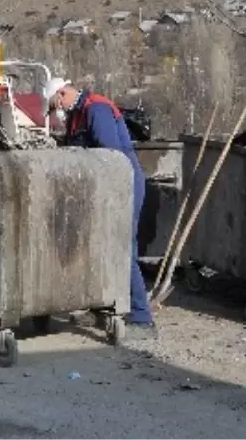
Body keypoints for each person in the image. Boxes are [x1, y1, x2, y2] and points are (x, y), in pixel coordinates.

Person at [43, 77, 155, 335]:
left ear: (62, 94)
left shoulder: (97, 109)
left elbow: (110, 155)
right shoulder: (77, 114)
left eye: (54, 104)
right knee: (96, 247)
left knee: (123, 248)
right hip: (101, 190)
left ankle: (142, 318)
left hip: (122, 186)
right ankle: (99, 307)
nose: (56, 110)